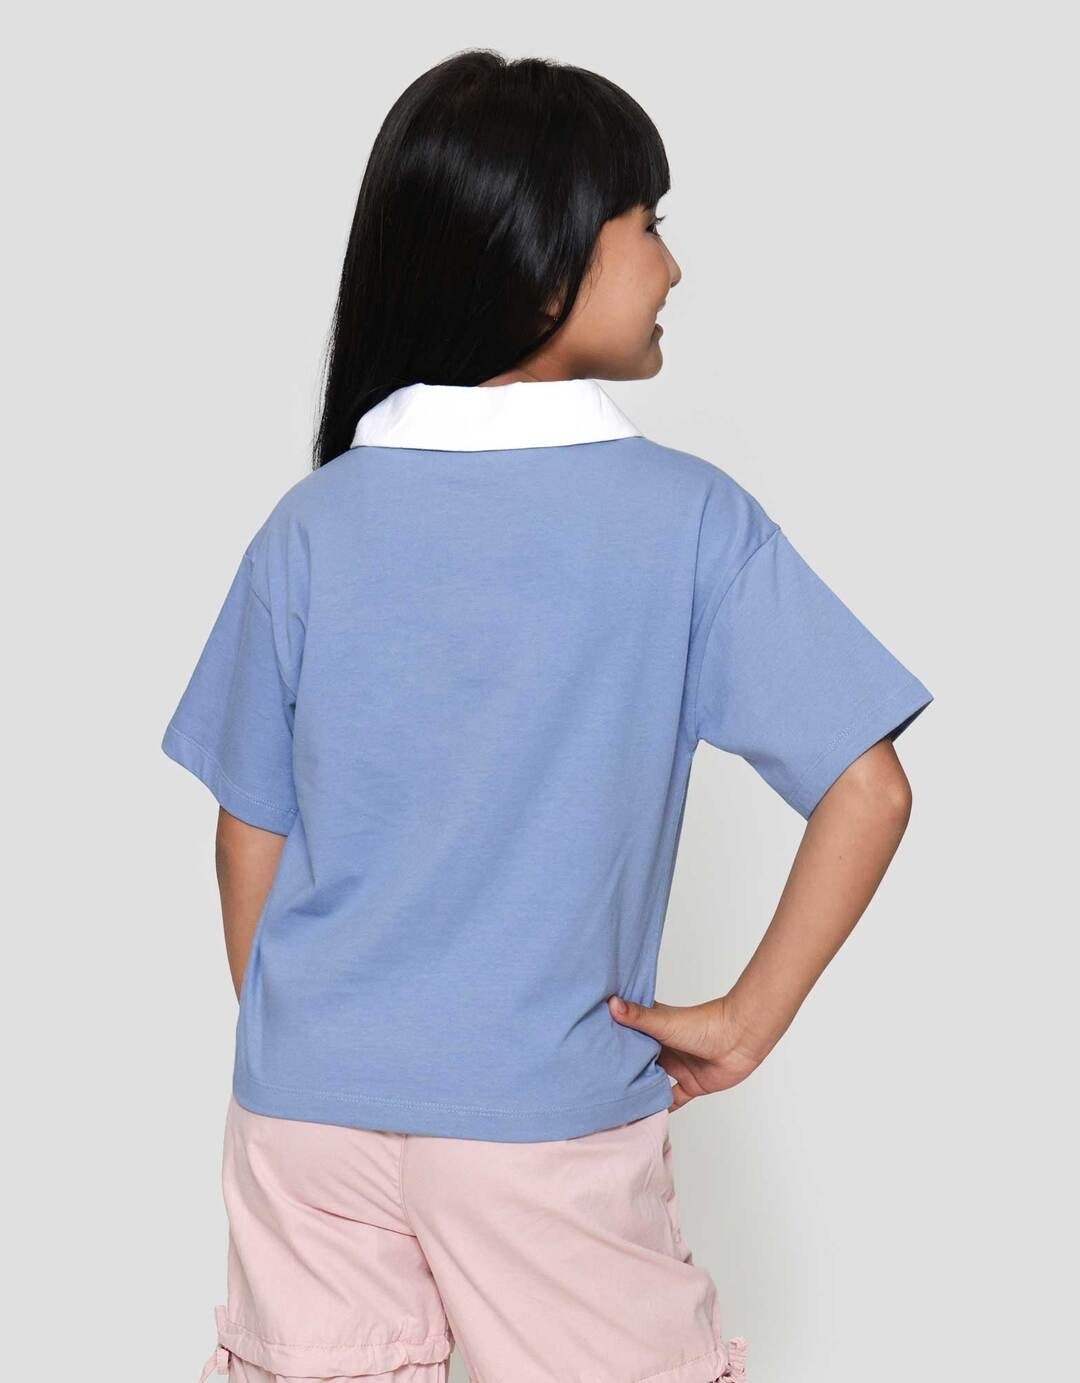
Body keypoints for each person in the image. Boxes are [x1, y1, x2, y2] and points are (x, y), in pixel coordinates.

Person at [164, 49, 933, 1383]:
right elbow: (869, 788)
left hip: (304, 1122)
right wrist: (747, 1021)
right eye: (648, 224)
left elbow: (249, 831)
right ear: (537, 265)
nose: (673, 267)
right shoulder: (688, 520)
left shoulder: (311, 525)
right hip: (541, 1125)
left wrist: (321, 1044)